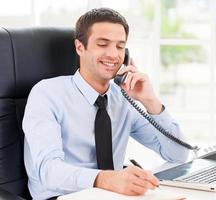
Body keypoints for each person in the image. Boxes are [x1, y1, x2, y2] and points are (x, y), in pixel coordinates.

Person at [23, 7, 189, 199]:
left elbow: (178, 155)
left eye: (120, 46)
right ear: (80, 47)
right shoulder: (47, 94)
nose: (113, 55)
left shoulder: (123, 98)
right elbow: (48, 172)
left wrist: (150, 100)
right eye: (103, 44)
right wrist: (107, 179)